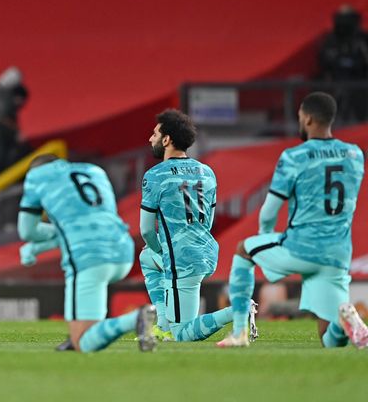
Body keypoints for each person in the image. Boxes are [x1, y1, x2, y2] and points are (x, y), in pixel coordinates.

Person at [218, 92, 368, 348]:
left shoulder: (294, 157)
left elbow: (269, 210)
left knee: (244, 250)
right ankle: (346, 320)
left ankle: (240, 332)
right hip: (337, 253)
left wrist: (265, 237)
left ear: (308, 119)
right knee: (329, 341)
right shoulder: (355, 155)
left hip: (301, 247)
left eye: (300, 117)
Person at [18, 154, 157, 353]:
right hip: (123, 250)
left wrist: (37, 243)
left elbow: (27, 231)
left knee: (82, 342)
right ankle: (86, 332)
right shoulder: (94, 171)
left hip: (88, 257)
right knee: (87, 330)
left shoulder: (37, 176)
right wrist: (51, 239)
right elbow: (91, 223)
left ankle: (134, 319)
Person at [139, 109, 251, 342]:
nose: (151, 138)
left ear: (167, 140)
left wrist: (164, 251)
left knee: (184, 334)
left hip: (182, 262)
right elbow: (208, 221)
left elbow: (147, 230)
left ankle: (239, 310)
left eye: (155, 133)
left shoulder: (155, 175)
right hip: (207, 252)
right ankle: (162, 324)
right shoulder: (206, 172)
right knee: (147, 257)